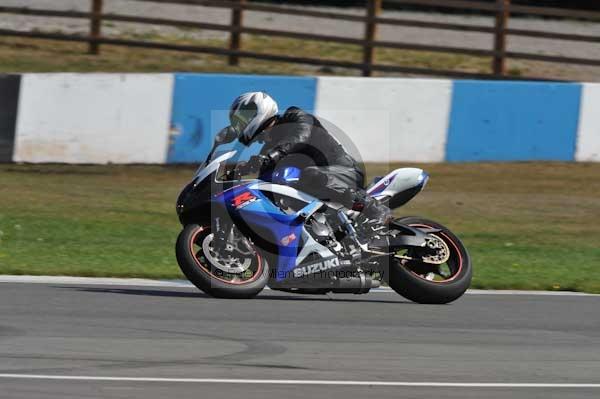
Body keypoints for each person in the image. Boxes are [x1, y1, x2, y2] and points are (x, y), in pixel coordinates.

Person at [227, 91, 391, 226]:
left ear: (259, 110)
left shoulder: (295, 116)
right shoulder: (269, 150)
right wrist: (242, 172)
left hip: (344, 172)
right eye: (238, 122)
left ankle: (375, 208)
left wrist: (270, 157)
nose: (241, 124)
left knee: (310, 174)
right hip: (320, 190)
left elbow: (299, 137)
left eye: (243, 119)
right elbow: (265, 185)